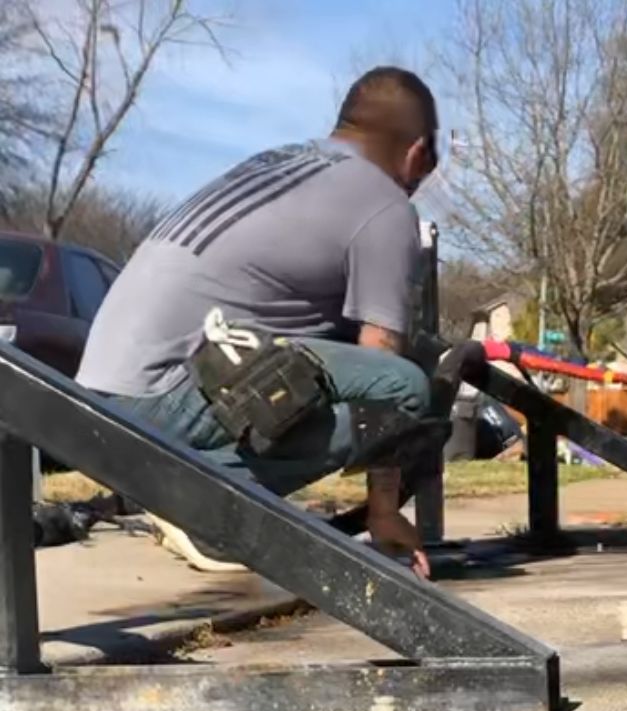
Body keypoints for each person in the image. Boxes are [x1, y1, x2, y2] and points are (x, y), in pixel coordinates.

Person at [77, 66, 440, 577]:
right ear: (417, 152)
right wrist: (385, 509)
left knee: (333, 352)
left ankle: (190, 485)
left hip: (95, 404)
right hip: (161, 396)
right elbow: (383, 362)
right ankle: (205, 500)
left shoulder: (280, 163)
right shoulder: (384, 204)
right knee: (406, 385)